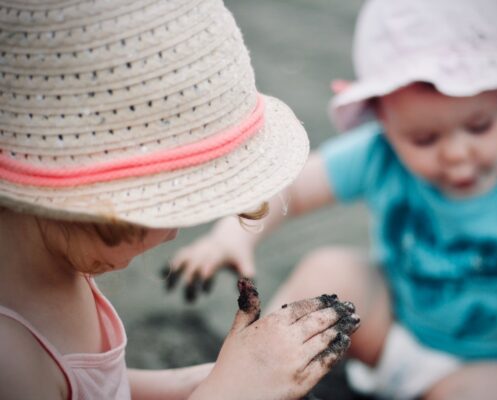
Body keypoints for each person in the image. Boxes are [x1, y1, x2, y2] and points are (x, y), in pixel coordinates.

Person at [167, 0, 497, 399]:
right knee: (330, 269)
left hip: (479, 363)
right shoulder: (380, 153)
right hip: (384, 325)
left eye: (479, 126)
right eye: (424, 138)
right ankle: (272, 367)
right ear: (383, 120)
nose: (456, 153)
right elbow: (293, 188)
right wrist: (232, 236)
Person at [0, 0, 361, 399]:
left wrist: (200, 382)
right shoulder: (10, 361)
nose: (174, 233)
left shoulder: (51, 262)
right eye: (170, 207)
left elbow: (100, 389)